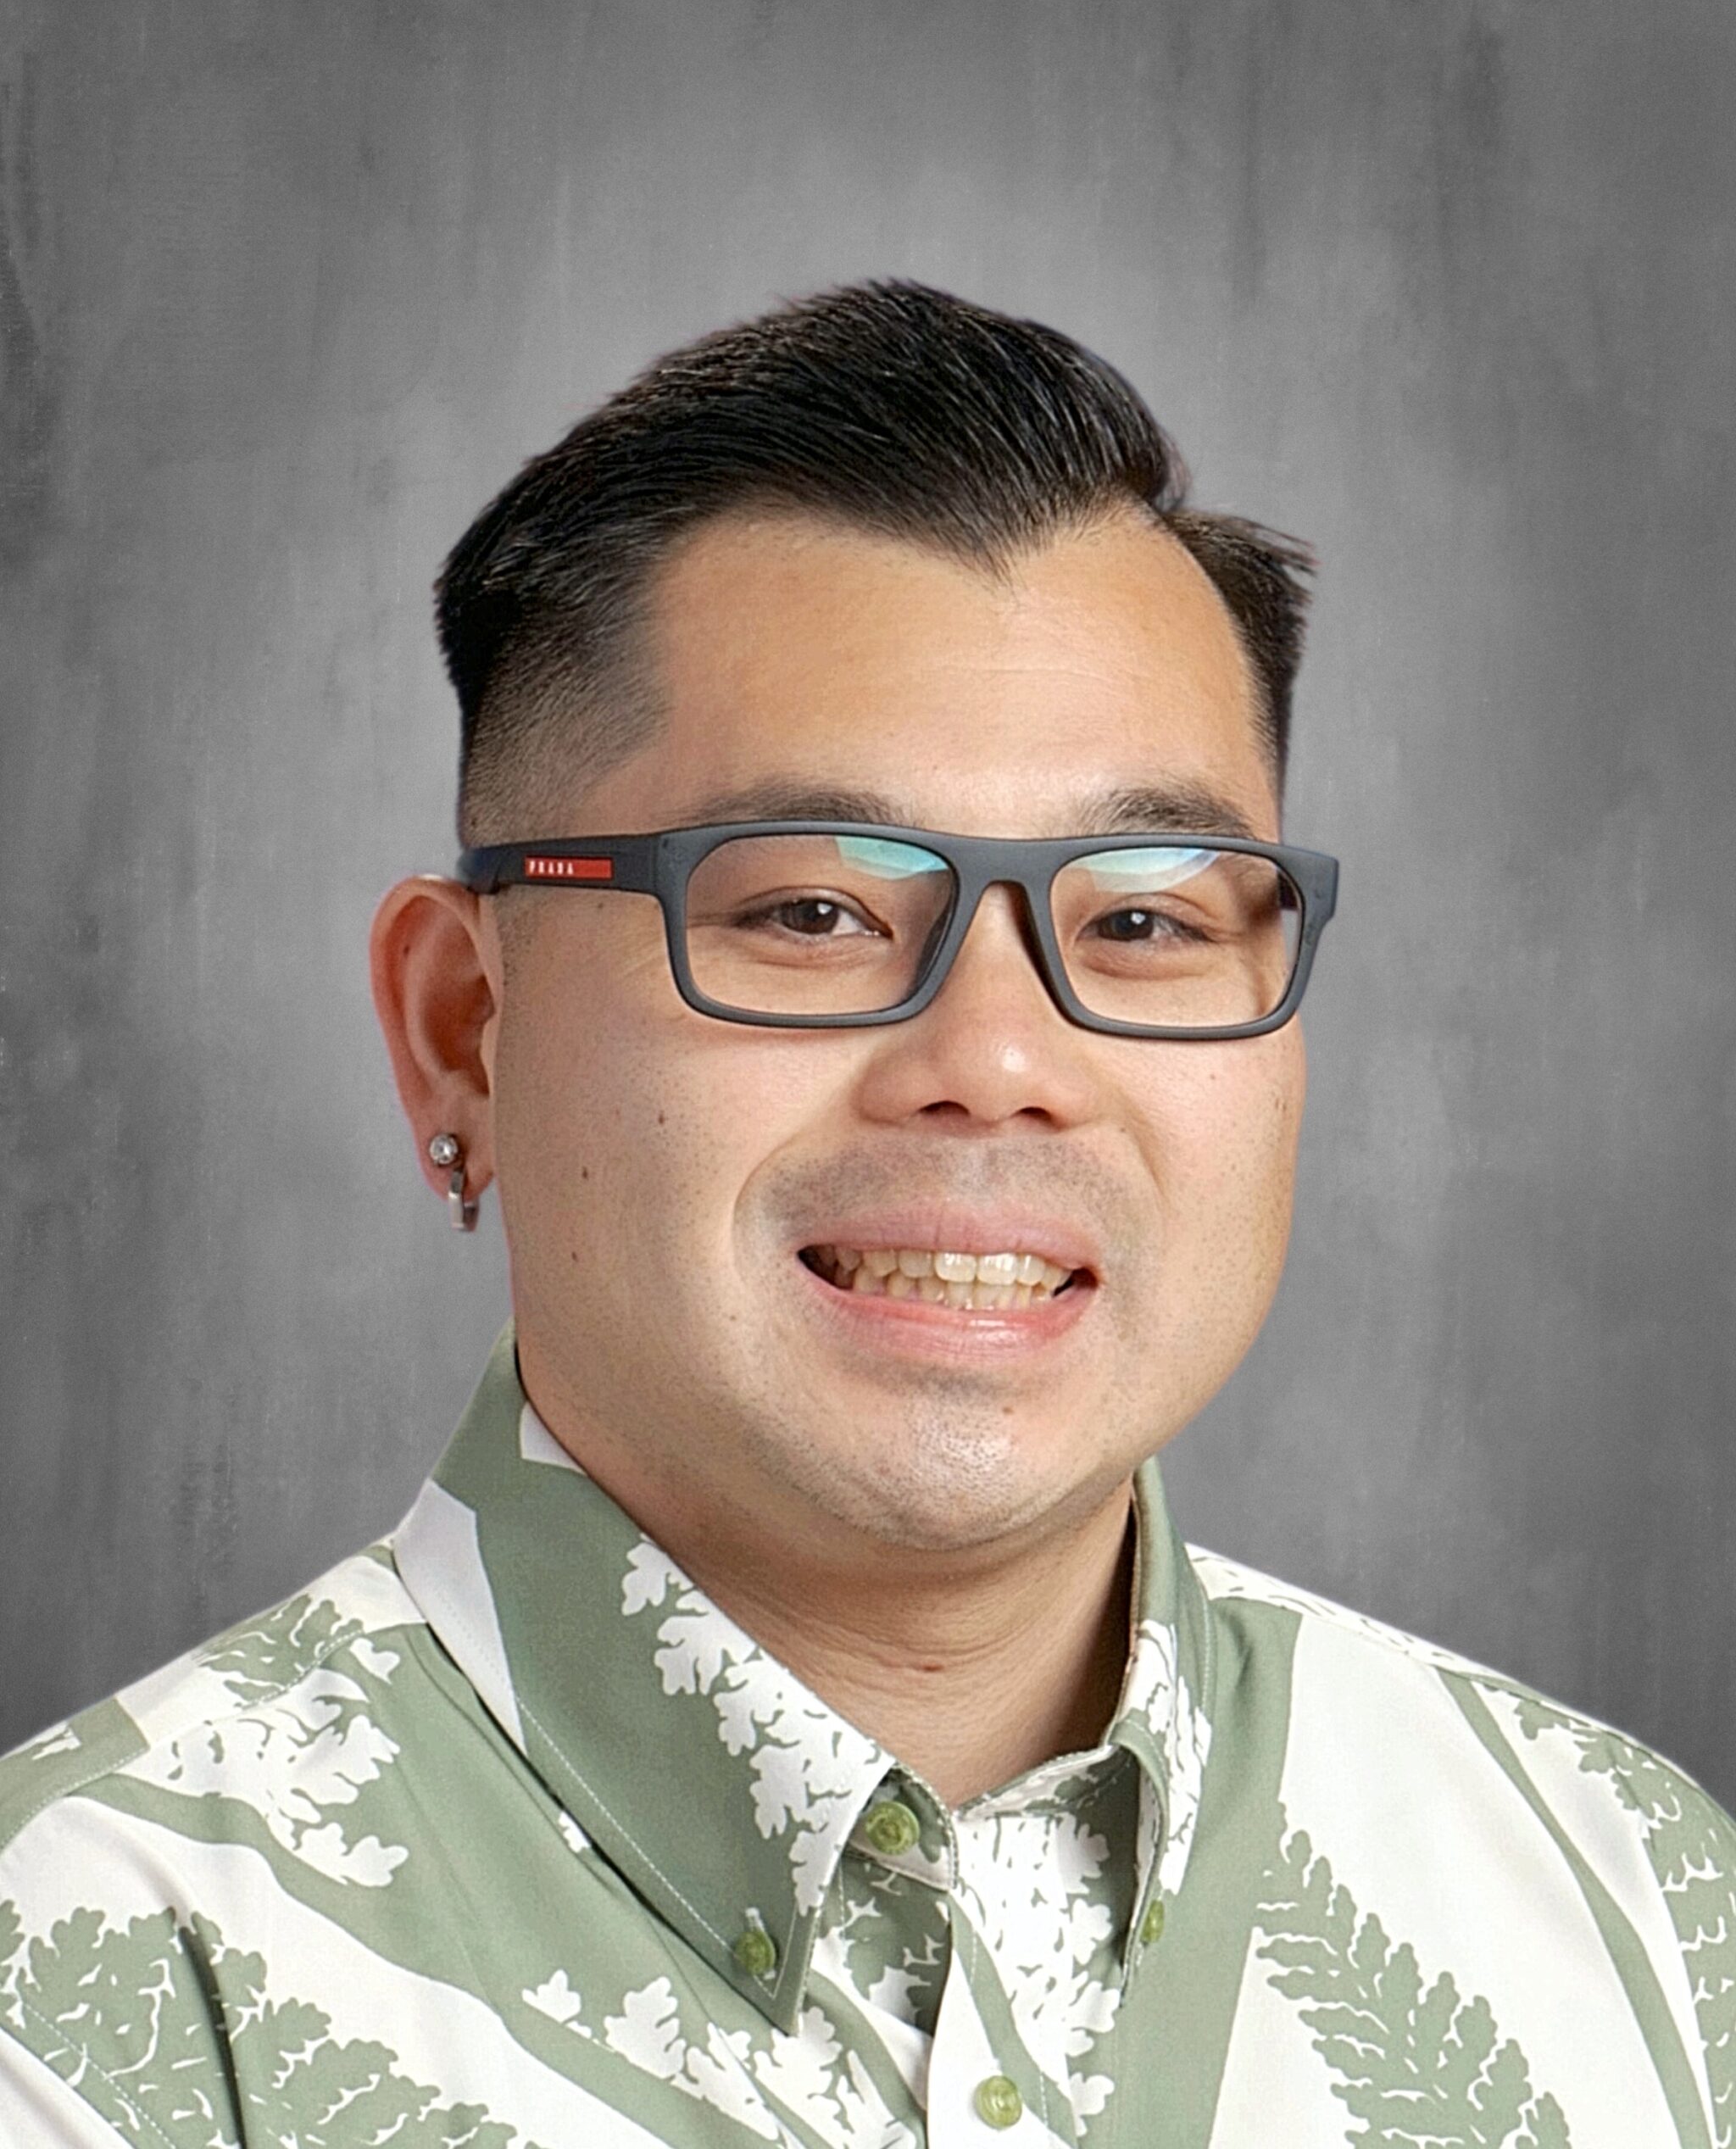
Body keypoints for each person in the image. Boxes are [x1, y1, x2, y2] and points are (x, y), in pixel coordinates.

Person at [1, 281, 1729, 2149]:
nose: (997, 1058)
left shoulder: (1632, 1898)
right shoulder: (89, 1995)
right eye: (811, 909)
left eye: (1140, 918)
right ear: (462, 1030)